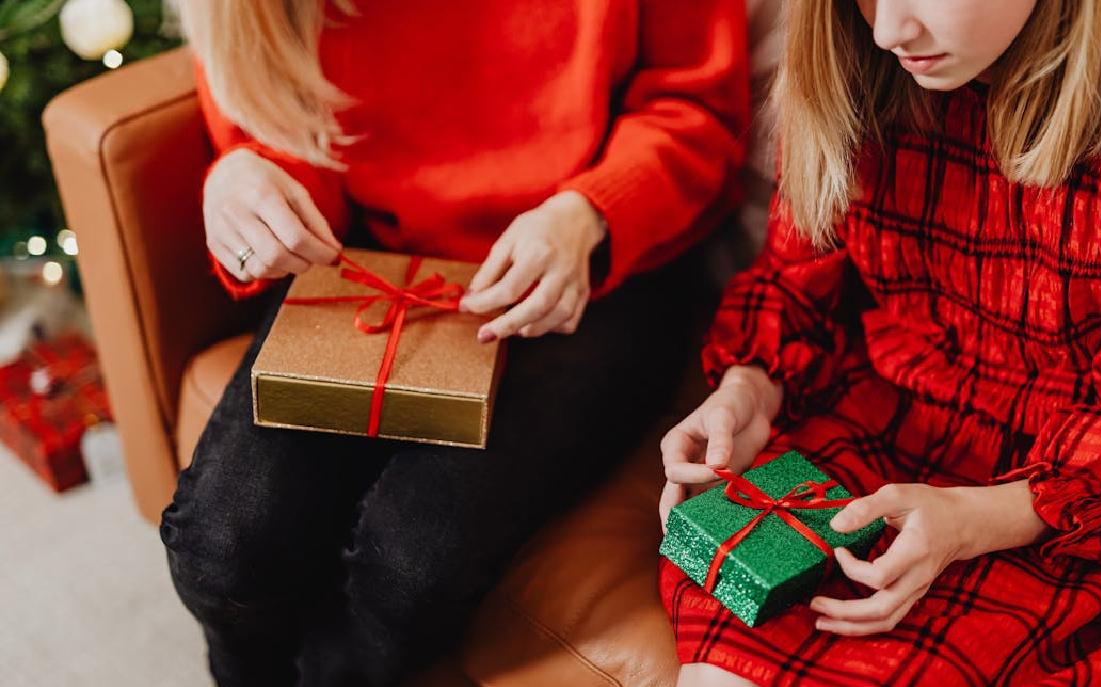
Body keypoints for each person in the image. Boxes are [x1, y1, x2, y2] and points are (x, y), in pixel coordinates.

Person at [158, 2, 749, 685]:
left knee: (412, 563)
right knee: (221, 546)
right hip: (371, 250)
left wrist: (589, 212)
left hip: (599, 263)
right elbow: (281, 112)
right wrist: (250, 175)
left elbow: (697, 104)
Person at [657, 1, 1101, 685]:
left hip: (1050, 503)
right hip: (868, 435)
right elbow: (796, 289)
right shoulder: (846, 63)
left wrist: (972, 521)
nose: (889, 31)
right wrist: (745, 393)